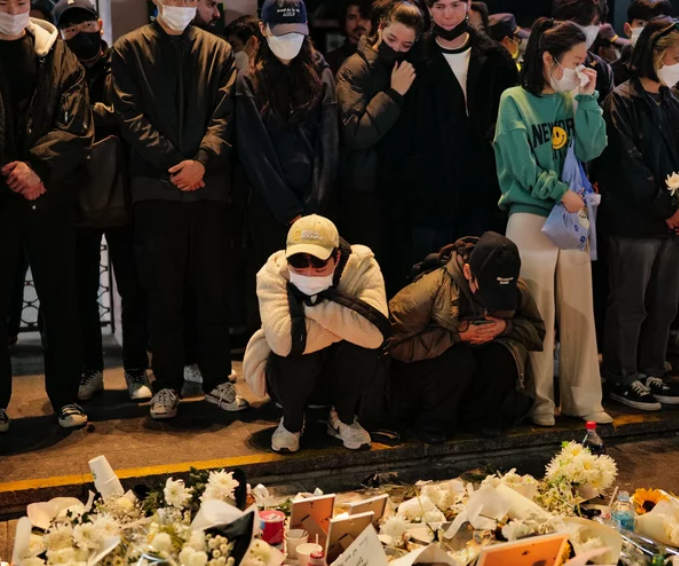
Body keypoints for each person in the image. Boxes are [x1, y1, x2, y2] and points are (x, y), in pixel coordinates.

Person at [112, 0, 247, 419]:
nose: (184, 4)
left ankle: (217, 379)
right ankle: (165, 383)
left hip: (208, 186)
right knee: (162, 290)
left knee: (212, 287)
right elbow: (129, 116)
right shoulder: (129, 48)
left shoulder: (217, 48)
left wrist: (202, 160)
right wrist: (176, 163)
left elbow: (226, 114)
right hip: (157, 187)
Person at [493, 18, 612, 427]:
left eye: (586, 60)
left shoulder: (571, 99)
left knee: (579, 309)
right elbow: (519, 165)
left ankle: (583, 399)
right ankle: (538, 401)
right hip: (530, 213)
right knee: (537, 313)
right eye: (576, 61)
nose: (583, 68)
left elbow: (594, 146)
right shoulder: (513, 99)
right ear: (548, 59)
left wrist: (588, 98)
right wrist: (558, 190)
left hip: (571, 214)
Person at [0, 0, 94, 431]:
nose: (12, 9)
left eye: (19, 2)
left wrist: (36, 167)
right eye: (4, 3)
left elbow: (77, 126)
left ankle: (65, 397)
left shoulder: (58, 53)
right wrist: (13, 169)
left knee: (60, 301)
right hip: (1, 196)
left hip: (49, 194)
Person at [53, 0, 152, 403]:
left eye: (83, 24)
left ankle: (134, 368)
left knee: (132, 286)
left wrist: (95, 117)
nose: (79, 33)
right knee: (82, 291)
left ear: (99, 24)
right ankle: (90, 368)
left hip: (125, 190)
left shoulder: (124, 62)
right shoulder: (57, 70)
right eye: (69, 29)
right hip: (76, 195)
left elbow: (135, 115)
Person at [243, 215, 390, 453]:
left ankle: (343, 416)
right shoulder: (272, 271)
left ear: (337, 257)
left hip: (340, 372)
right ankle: (291, 421)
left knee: (362, 347)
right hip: (289, 376)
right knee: (296, 348)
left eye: (319, 264)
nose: (309, 272)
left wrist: (311, 308)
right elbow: (283, 342)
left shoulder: (362, 265)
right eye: (299, 263)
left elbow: (374, 334)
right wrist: (347, 323)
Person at [237, 0, 339, 335]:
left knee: (315, 289)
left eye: (297, 31)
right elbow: (255, 153)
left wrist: (313, 207)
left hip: (314, 208)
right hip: (268, 206)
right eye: (283, 32)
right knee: (271, 294)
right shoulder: (248, 80)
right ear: (263, 30)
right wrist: (288, 210)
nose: (290, 38)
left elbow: (328, 144)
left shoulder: (321, 72)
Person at [388, 234, 545, 444]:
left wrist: (505, 327)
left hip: (477, 369)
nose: (492, 299)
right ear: (468, 271)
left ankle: (480, 420)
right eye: (487, 291)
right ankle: (433, 422)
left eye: (501, 293)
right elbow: (392, 345)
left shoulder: (516, 290)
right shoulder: (427, 291)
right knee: (459, 359)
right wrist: (455, 336)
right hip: (432, 375)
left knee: (502, 354)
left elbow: (537, 332)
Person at [599, 17, 679, 411]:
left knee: (665, 303)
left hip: (671, 224)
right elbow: (627, 166)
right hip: (634, 220)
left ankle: (652, 370)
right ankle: (621, 374)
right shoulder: (621, 100)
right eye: (676, 57)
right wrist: (665, 208)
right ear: (654, 54)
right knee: (630, 302)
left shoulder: (672, 100)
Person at [411, 0, 518, 267]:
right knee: (431, 274)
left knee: (481, 271)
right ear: (428, 8)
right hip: (429, 189)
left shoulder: (496, 57)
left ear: (468, 5)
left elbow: (511, 119)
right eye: (439, 6)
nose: (447, 14)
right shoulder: (413, 55)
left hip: (483, 186)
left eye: (455, 5)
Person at [336, 0, 424, 293]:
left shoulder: (410, 67)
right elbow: (355, 134)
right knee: (365, 276)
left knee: (398, 272)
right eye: (391, 39)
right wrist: (393, 94)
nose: (397, 47)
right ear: (380, 27)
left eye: (406, 44)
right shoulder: (355, 67)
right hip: (363, 189)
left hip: (398, 185)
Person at [552, 0, 615, 102]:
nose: (588, 30)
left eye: (596, 23)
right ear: (559, 21)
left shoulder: (601, 69)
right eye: (582, 22)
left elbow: (607, 114)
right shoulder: (541, 62)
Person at [612, 0, 673, 86]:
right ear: (627, 29)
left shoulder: (674, 72)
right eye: (642, 24)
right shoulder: (611, 74)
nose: (649, 30)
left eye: (657, 25)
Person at [326, 0, 372, 76]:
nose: (358, 23)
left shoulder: (383, 58)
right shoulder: (331, 61)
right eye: (352, 18)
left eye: (364, 17)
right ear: (343, 21)